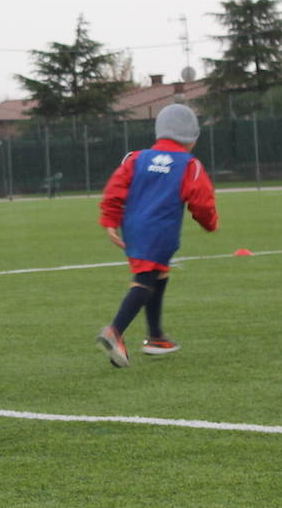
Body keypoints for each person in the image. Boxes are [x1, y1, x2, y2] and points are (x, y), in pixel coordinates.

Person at [96, 104, 218, 368]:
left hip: (134, 229)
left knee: (158, 273)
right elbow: (202, 201)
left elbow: (114, 190)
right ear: (192, 138)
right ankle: (114, 331)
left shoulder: (135, 158)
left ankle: (156, 337)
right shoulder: (190, 165)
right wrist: (210, 223)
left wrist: (110, 222)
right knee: (145, 279)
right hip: (161, 231)